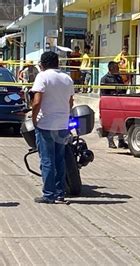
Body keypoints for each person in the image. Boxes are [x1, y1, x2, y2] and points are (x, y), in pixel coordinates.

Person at [31, 51, 75, 204]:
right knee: (59, 159)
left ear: (42, 64)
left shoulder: (42, 76)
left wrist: (34, 118)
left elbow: (37, 101)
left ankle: (48, 194)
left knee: (47, 160)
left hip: (46, 124)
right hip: (62, 125)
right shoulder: (67, 78)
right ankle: (59, 194)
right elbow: (71, 102)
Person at [100, 61, 128, 149]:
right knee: (111, 123)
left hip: (120, 103)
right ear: (111, 69)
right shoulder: (105, 79)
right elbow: (103, 93)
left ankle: (121, 141)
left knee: (120, 122)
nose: (118, 69)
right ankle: (110, 141)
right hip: (110, 105)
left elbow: (123, 88)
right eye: (117, 68)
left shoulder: (119, 77)